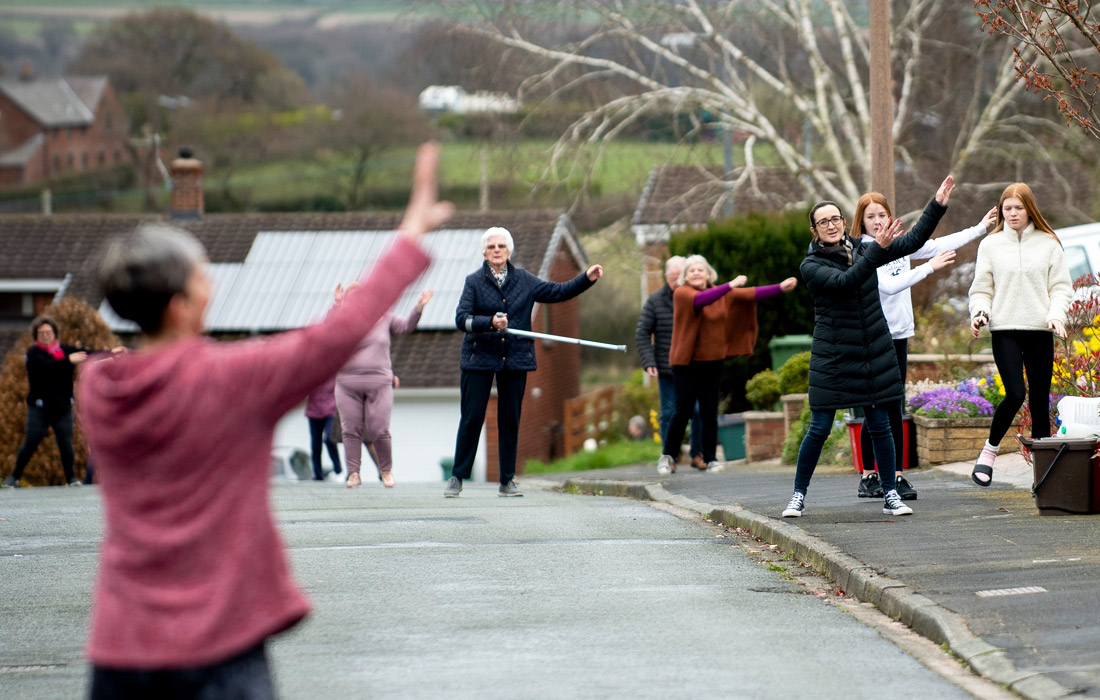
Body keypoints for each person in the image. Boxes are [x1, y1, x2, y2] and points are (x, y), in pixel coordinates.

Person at [75, 142, 451, 699]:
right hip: (219, 649)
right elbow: (332, 338)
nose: (214, 284)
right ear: (182, 306)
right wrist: (409, 235)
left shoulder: (98, 388)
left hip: (119, 650)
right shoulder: (233, 380)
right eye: (204, 277)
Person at [782, 175, 954, 519]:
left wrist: (937, 205)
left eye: (835, 219)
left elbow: (914, 240)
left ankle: (890, 492)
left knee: (880, 424)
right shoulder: (812, 265)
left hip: (874, 348)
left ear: (844, 223)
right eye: (823, 222)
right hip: (833, 356)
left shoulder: (863, 248)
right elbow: (848, 282)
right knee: (818, 428)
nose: (831, 225)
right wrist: (876, 250)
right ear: (814, 230)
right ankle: (798, 495)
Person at [851, 195, 998, 500]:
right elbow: (889, 286)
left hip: (900, 333)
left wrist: (981, 227)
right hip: (874, 335)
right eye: (870, 217)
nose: (878, 221)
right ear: (862, 223)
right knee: (876, 405)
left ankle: (896, 475)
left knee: (895, 403)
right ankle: (869, 475)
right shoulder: (863, 251)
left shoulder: (902, 245)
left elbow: (942, 242)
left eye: (882, 214)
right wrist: (929, 268)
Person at [444, 226, 603, 498]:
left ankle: (507, 480)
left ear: (509, 252)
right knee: (472, 417)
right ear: (484, 252)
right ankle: (458, 476)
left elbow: (558, 292)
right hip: (478, 358)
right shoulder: (473, 282)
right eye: (492, 247)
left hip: (515, 357)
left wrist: (586, 279)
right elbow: (462, 319)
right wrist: (489, 323)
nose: (497, 251)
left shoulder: (525, 280)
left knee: (510, 418)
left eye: (501, 246)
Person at [968, 182, 1072, 487]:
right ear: (1001, 211)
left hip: (1041, 329)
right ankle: (989, 453)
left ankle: (1045, 479)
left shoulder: (1049, 243)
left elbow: (1061, 288)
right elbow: (982, 289)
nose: (1012, 213)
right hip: (1004, 330)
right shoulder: (990, 245)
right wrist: (979, 313)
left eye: (1018, 208)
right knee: (1015, 393)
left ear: (1030, 209)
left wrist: (1056, 316)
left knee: (1040, 402)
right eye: (1007, 208)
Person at [657, 257, 797, 475]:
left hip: (712, 361)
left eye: (700, 269)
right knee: (682, 411)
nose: (696, 273)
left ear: (708, 273)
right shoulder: (682, 293)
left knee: (709, 411)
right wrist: (730, 285)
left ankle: (710, 458)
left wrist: (780, 288)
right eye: (691, 270)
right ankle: (668, 456)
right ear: (685, 275)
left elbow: (752, 294)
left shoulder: (723, 294)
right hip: (686, 363)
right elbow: (701, 300)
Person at [335, 284, 432, 489]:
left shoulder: (384, 317)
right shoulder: (341, 321)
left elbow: (406, 327)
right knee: (350, 429)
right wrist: (337, 305)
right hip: (347, 384)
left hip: (379, 381)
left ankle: (386, 470)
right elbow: (327, 334)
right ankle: (353, 473)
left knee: (379, 429)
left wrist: (418, 307)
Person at [635, 256, 705, 468]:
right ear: (666, 277)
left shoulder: (696, 297)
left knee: (697, 411)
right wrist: (649, 362)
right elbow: (642, 333)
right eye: (674, 278)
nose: (677, 283)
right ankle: (669, 457)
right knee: (668, 412)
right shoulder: (655, 301)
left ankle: (697, 454)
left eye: (680, 278)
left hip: (692, 367)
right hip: (666, 368)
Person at [2, 316, 89, 488]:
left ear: (55, 334)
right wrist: (68, 361)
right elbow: (47, 366)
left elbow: (88, 353)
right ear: (36, 336)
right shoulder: (34, 354)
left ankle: (70, 478)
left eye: (48, 332)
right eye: (41, 333)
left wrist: (112, 352)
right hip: (39, 408)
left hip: (62, 407)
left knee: (66, 443)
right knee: (31, 441)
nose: (45, 336)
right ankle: (14, 477)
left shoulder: (65, 350)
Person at [304, 375, 342, 481]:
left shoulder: (334, 374)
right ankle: (318, 473)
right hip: (313, 411)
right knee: (316, 444)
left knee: (329, 438)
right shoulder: (311, 375)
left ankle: (337, 466)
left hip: (331, 410)